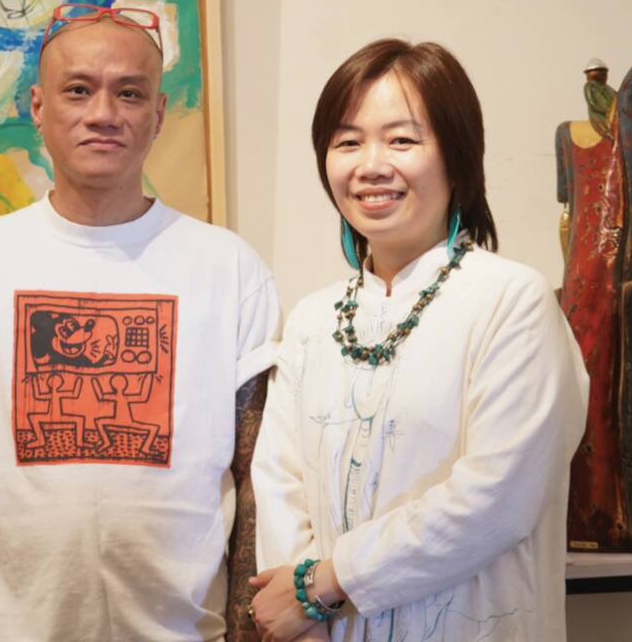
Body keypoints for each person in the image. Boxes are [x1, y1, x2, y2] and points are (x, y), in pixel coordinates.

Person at [0, 3, 282, 642]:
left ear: (157, 114)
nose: (104, 113)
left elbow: (255, 486)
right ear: (38, 107)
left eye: (129, 93)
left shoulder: (230, 268)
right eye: (78, 90)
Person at [249, 39, 589, 642]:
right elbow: (280, 486)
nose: (371, 165)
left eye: (402, 140)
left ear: (457, 158)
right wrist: (301, 619)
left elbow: (496, 501)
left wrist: (323, 583)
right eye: (348, 142)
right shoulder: (311, 321)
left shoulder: (512, 300)